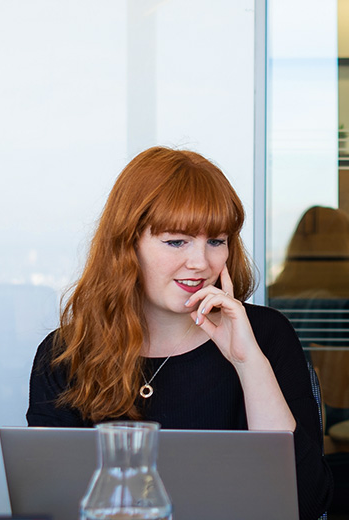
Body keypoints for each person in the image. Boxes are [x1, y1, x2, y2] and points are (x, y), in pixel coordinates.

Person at [27, 147, 332, 520]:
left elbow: (304, 503)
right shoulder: (64, 354)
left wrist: (247, 362)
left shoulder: (265, 335)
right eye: (176, 241)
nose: (201, 263)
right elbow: (51, 504)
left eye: (216, 241)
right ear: (127, 245)